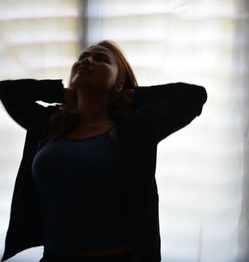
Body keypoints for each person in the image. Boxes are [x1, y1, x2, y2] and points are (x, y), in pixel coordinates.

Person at [0, 40, 207, 262]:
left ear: (118, 83)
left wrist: (135, 95)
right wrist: (59, 92)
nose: (86, 61)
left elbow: (193, 96)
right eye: (82, 58)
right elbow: (8, 91)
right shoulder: (49, 124)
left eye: (101, 59)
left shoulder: (134, 128)